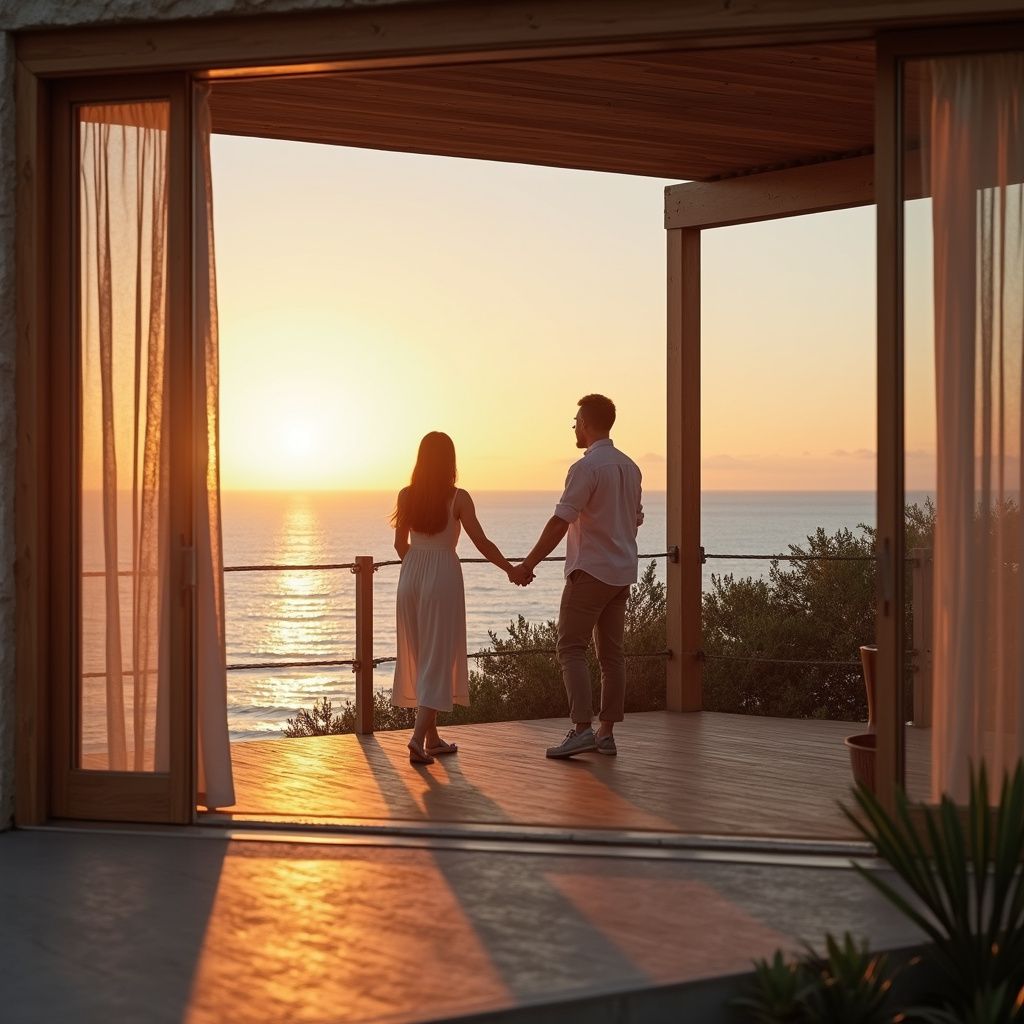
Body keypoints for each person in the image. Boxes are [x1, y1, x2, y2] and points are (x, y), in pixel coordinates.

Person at [510, 395, 643, 759]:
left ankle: (582, 729)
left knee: (570, 648)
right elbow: (635, 519)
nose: (574, 427)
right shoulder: (631, 468)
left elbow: (560, 521)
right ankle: (606, 734)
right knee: (612, 655)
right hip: (622, 573)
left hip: (590, 572)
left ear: (585, 423)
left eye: (575, 422)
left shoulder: (586, 468)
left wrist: (528, 564)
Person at [391, 431, 523, 765]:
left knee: (423, 656)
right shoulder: (459, 498)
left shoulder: (406, 495)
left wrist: (417, 567)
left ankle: (432, 738)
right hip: (442, 577)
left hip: (410, 576)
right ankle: (417, 739)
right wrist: (510, 569)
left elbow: (399, 545)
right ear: (450, 461)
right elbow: (482, 542)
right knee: (438, 659)